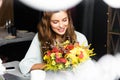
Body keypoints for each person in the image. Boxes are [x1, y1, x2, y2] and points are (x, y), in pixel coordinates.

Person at [19, 10, 89, 80]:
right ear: (48, 22)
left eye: (64, 20)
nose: (61, 26)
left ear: (69, 19)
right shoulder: (41, 37)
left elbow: (86, 68)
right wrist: (52, 65)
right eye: (55, 22)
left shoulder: (80, 38)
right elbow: (25, 65)